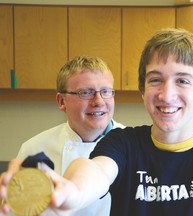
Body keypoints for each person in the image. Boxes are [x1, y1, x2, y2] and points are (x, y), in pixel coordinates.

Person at [0, 29, 193, 216]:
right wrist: (72, 191)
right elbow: (94, 170)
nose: (167, 94)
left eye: (183, 80)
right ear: (142, 89)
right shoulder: (124, 143)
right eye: (155, 79)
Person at [1, 55, 125, 216]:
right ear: (61, 101)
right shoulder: (35, 149)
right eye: (86, 92)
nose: (99, 101)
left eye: (106, 91)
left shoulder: (133, 146)